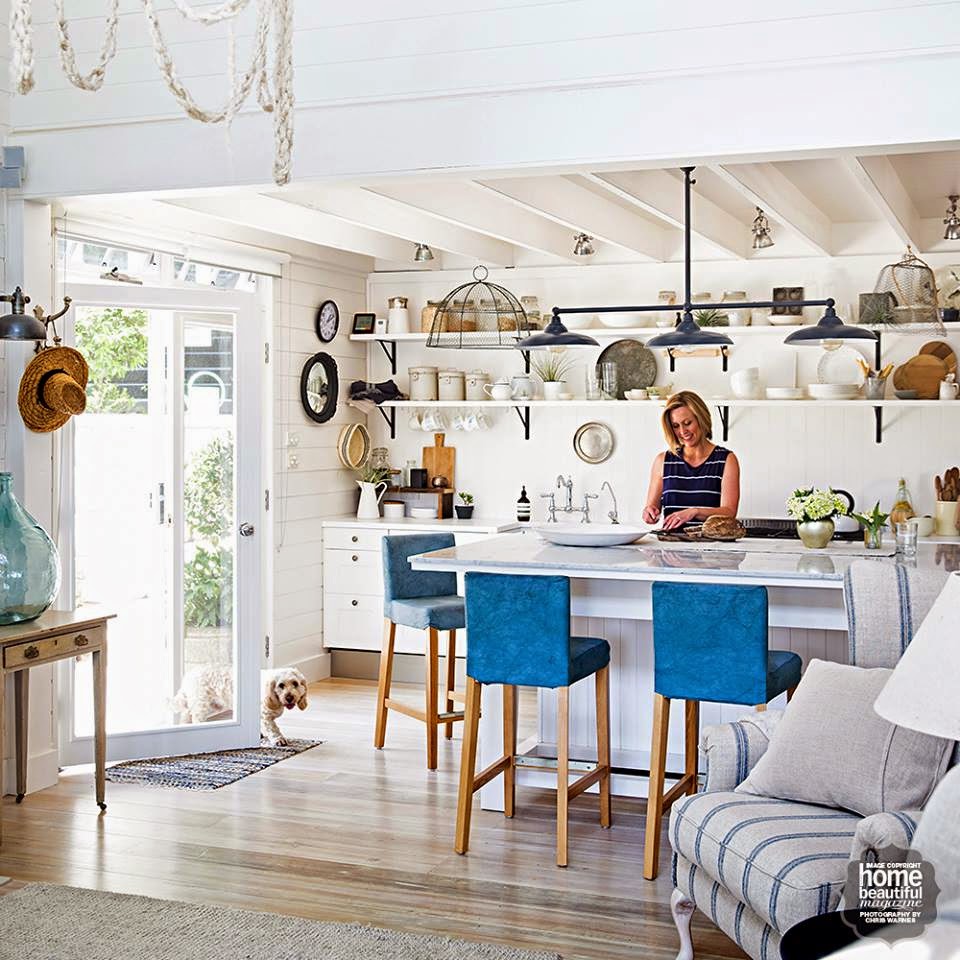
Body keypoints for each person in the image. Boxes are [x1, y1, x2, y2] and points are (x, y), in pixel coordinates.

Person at [642, 390, 740, 530]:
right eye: (676, 426)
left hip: (711, 543)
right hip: (671, 543)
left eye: (687, 423)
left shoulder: (726, 460)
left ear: (701, 419)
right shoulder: (663, 461)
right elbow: (651, 509)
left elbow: (729, 512)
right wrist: (649, 512)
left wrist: (695, 512)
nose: (682, 431)